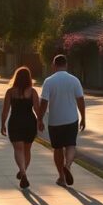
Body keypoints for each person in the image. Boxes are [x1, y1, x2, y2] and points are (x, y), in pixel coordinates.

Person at [38, 54, 86, 187]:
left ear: (54, 65)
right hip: (71, 119)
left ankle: (61, 177)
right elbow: (80, 100)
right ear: (66, 65)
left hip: (55, 121)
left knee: (58, 148)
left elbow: (44, 102)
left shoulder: (49, 81)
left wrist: (40, 119)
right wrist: (83, 117)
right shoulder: (74, 80)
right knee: (71, 145)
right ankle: (68, 166)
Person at [1, 66, 41, 189]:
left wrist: (2, 124)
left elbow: (5, 111)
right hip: (29, 122)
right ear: (29, 78)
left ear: (16, 77)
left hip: (15, 122)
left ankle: (22, 172)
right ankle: (23, 172)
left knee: (18, 150)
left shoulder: (10, 92)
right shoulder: (33, 92)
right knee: (27, 150)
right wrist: (40, 121)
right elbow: (37, 110)